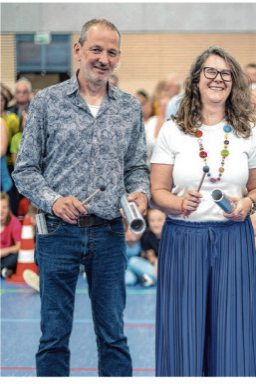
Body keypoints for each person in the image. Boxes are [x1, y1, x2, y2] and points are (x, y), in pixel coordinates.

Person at [12, 18, 149, 376]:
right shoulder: (46, 103)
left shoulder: (129, 107)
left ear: (118, 57)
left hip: (109, 234)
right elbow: (24, 169)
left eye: (112, 52)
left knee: (114, 335)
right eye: (96, 49)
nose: (103, 58)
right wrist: (54, 200)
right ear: (78, 51)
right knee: (54, 335)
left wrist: (139, 192)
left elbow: (136, 167)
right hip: (58, 233)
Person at [150, 46, 256, 376]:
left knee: (233, 333)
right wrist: (177, 203)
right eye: (210, 72)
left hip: (233, 238)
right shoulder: (173, 130)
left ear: (234, 82)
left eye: (225, 73)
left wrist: (248, 204)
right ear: (196, 80)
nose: (218, 79)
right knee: (181, 332)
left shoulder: (250, 130)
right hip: (183, 239)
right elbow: (157, 191)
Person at [0, 192, 21, 279]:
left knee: (18, 256)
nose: (1, 211)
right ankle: (4, 271)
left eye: (4, 207)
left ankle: (4, 270)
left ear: (9, 208)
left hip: (6, 257)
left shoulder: (14, 221)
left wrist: (3, 252)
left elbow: (19, 246)